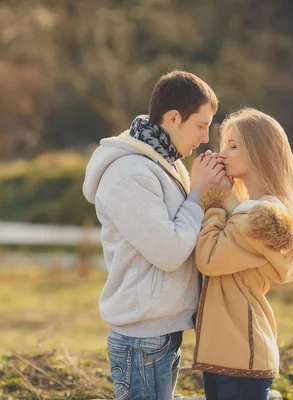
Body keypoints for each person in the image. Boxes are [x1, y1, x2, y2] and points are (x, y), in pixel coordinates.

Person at [82, 71, 223, 400]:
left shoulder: (166, 162)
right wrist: (199, 194)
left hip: (160, 332)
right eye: (201, 125)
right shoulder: (128, 172)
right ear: (174, 118)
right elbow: (169, 252)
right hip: (141, 338)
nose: (205, 137)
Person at [193, 108, 293, 400]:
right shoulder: (249, 210)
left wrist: (212, 199)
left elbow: (209, 258)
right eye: (223, 144)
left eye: (234, 145)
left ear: (260, 153)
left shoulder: (260, 217)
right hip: (230, 350)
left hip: (240, 353)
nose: (222, 153)